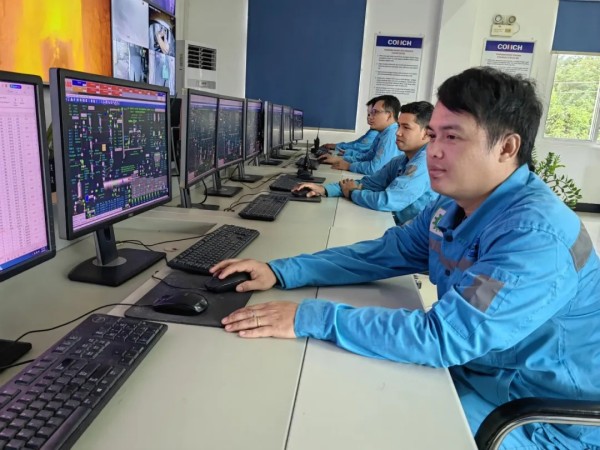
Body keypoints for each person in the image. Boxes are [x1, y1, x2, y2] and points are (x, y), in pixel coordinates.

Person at [212, 67, 600, 449]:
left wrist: (310, 317)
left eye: (452, 137)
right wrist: (280, 271)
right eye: (433, 135)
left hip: (537, 417)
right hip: (476, 373)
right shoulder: (452, 206)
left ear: (507, 147)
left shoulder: (535, 237)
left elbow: (444, 337)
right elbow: (384, 253)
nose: (434, 150)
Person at [294, 101, 438, 226]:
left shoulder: (425, 162)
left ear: (427, 133)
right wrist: (324, 189)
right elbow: (370, 183)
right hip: (393, 223)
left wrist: (352, 193)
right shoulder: (401, 160)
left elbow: (388, 201)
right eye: (399, 126)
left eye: (406, 127)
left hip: (413, 238)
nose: (398, 132)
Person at [319, 95, 401, 175]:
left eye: (375, 112)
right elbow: (367, 157)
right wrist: (341, 159)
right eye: (370, 113)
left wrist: (349, 166)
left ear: (389, 115)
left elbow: (375, 169)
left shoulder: (391, 136)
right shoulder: (382, 133)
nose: (370, 117)